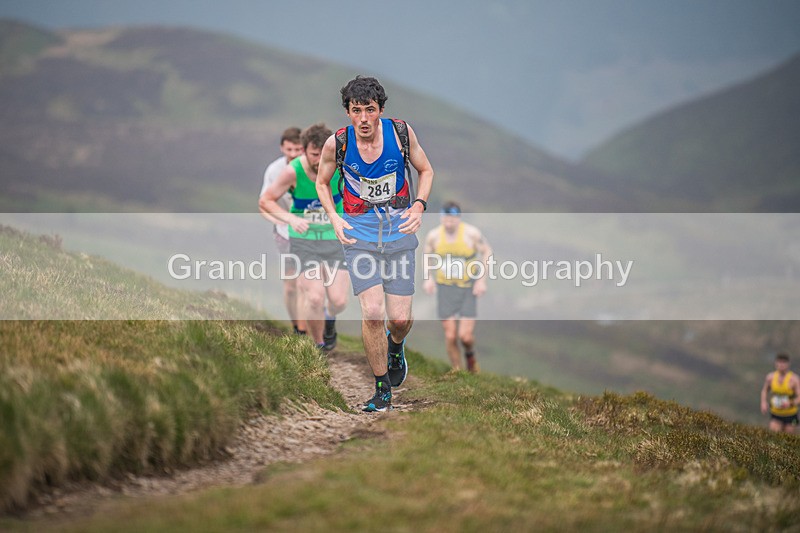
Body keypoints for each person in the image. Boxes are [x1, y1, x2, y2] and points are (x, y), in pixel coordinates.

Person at [315, 76, 434, 412]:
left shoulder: (400, 134)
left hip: (399, 234)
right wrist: (334, 218)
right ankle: (382, 389)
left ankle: (396, 347)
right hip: (359, 236)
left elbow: (426, 171)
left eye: (370, 110)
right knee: (372, 313)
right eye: (357, 110)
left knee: (398, 320)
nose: (364, 118)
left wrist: (419, 205)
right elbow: (322, 183)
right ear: (348, 113)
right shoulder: (336, 143)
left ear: (380, 110)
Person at [260, 123, 350, 351]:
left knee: (338, 300)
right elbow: (266, 201)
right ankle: (318, 345)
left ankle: (330, 318)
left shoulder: (341, 166)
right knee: (314, 297)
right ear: (304, 150)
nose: (319, 160)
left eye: (323, 154)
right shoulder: (293, 172)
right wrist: (291, 219)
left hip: (334, 238)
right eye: (313, 154)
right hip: (304, 242)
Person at [423, 201, 492, 373]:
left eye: (453, 218)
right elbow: (427, 255)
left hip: (467, 287)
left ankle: (470, 355)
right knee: (451, 335)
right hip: (445, 288)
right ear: (441, 218)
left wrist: (481, 280)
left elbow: (487, 252)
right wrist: (428, 279)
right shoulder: (434, 236)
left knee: (465, 336)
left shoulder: (471, 234)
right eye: (446, 217)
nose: (449, 222)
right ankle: (458, 373)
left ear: (458, 218)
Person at [258, 127, 306, 335]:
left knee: (311, 283)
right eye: (289, 149)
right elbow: (264, 205)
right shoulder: (274, 170)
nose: (294, 154)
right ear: (282, 148)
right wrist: (280, 224)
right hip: (285, 234)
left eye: (298, 149)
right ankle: (297, 326)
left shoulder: (314, 167)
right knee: (291, 286)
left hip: (314, 233)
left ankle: (312, 328)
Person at [760, 353, 800, 433]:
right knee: (773, 437)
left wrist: (790, 403)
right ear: (776, 363)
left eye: (784, 362)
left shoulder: (794, 379)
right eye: (779, 362)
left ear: (788, 364)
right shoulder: (770, 377)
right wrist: (763, 402)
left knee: (788, 440)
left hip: (790, 414)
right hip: (776, 413)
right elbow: (764, 390)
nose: (781, 365)